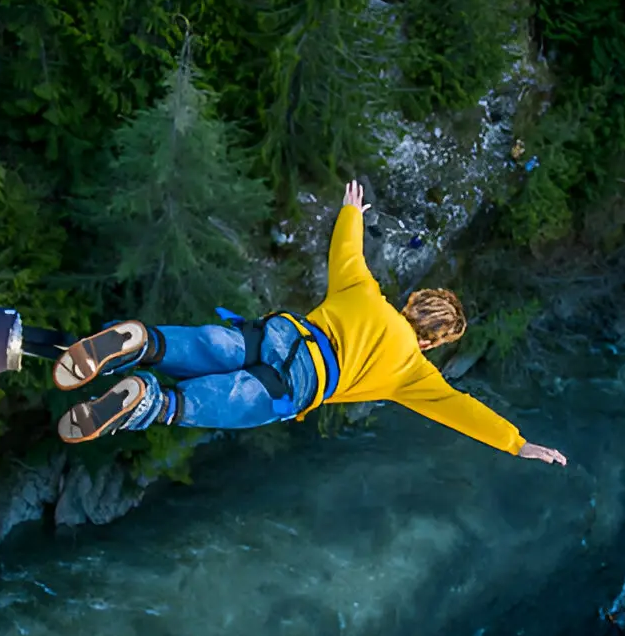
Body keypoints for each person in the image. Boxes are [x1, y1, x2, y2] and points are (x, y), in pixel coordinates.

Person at [52, 181, 568, 466]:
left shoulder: (364, 292)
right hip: (299, 383)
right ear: (432, 342)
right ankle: (146, 399)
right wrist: (517, 443)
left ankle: (142, 341)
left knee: (212, 346)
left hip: (280, 333)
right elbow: (461, 411)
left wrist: (352, 212)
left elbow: (347, 250)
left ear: (411, 301)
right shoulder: (414, 372)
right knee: (199, 404)